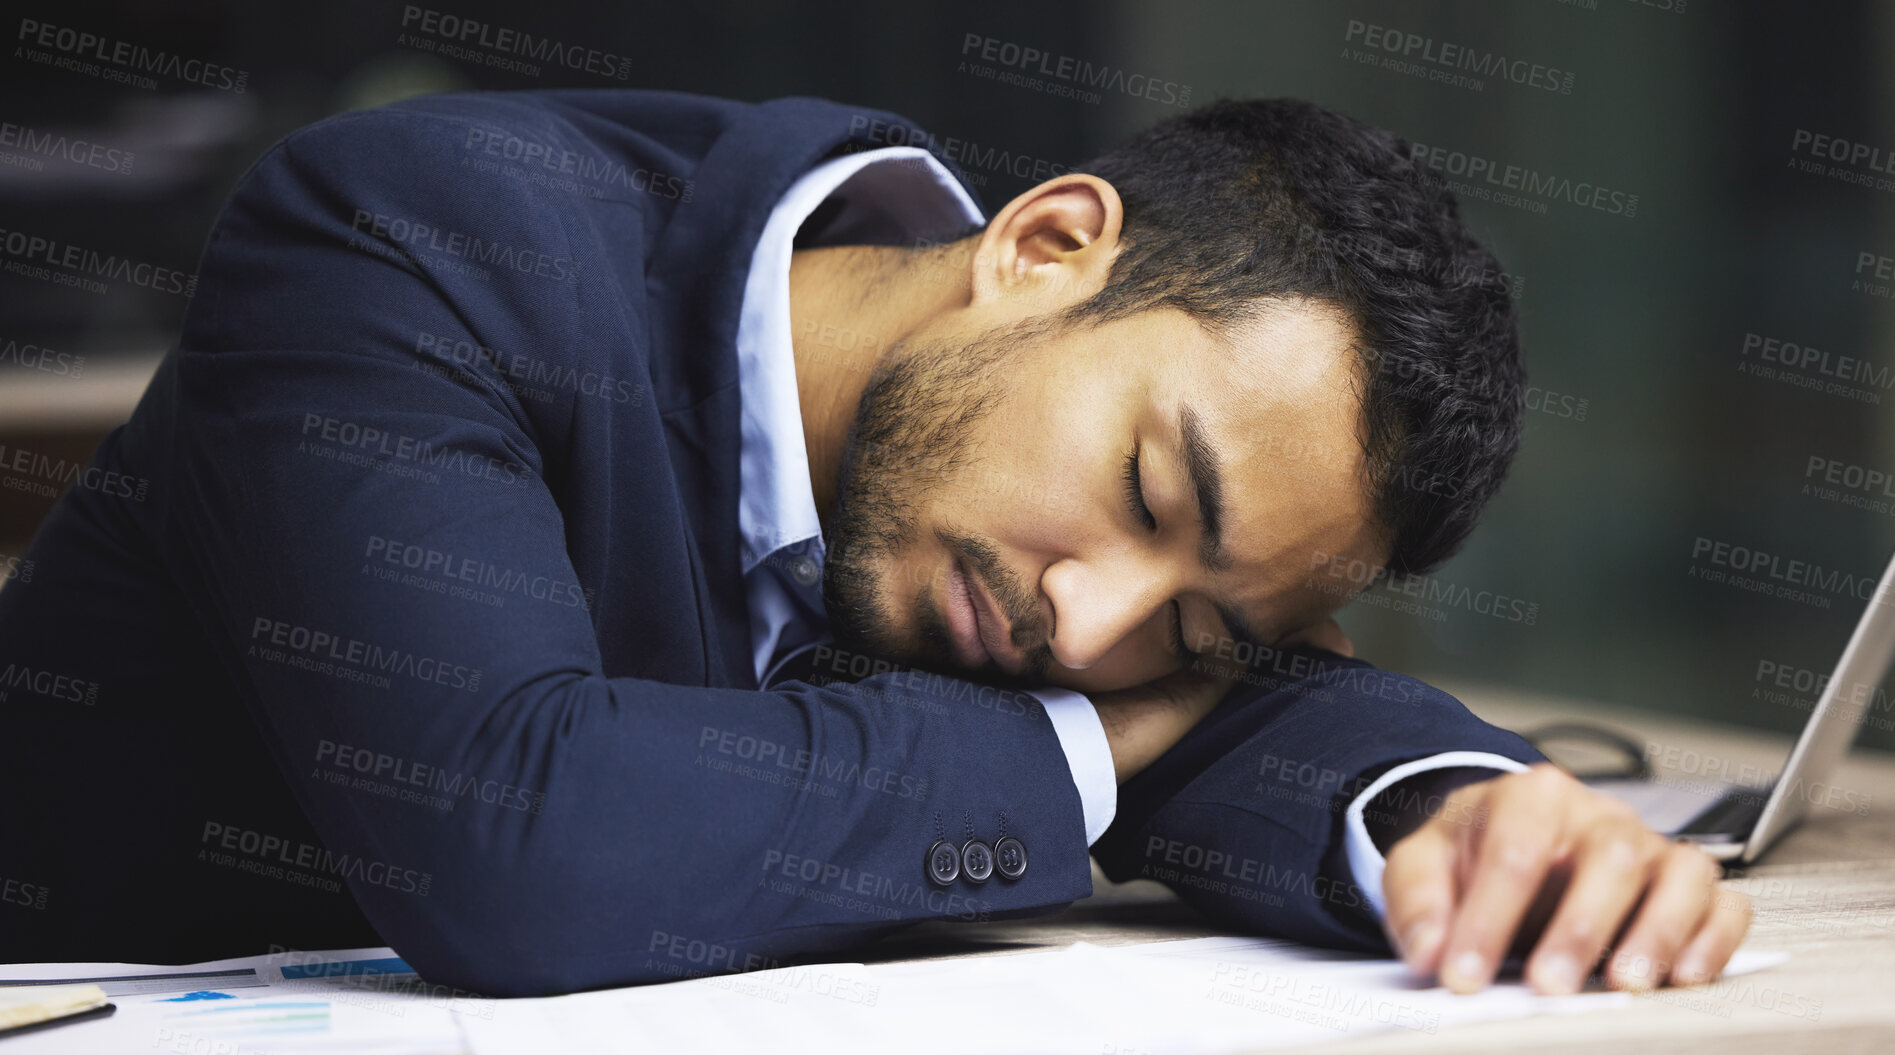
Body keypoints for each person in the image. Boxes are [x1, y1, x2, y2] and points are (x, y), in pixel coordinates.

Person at [0, 89, 1748, 997]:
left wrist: (1461, 817)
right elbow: (507, 837)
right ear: (1051, 244)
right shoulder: (415, 240)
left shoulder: (1021, 502)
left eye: (1202, 633)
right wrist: (1087, 751)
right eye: (1150, 498)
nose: (1092, 628)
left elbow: (1270, 713)